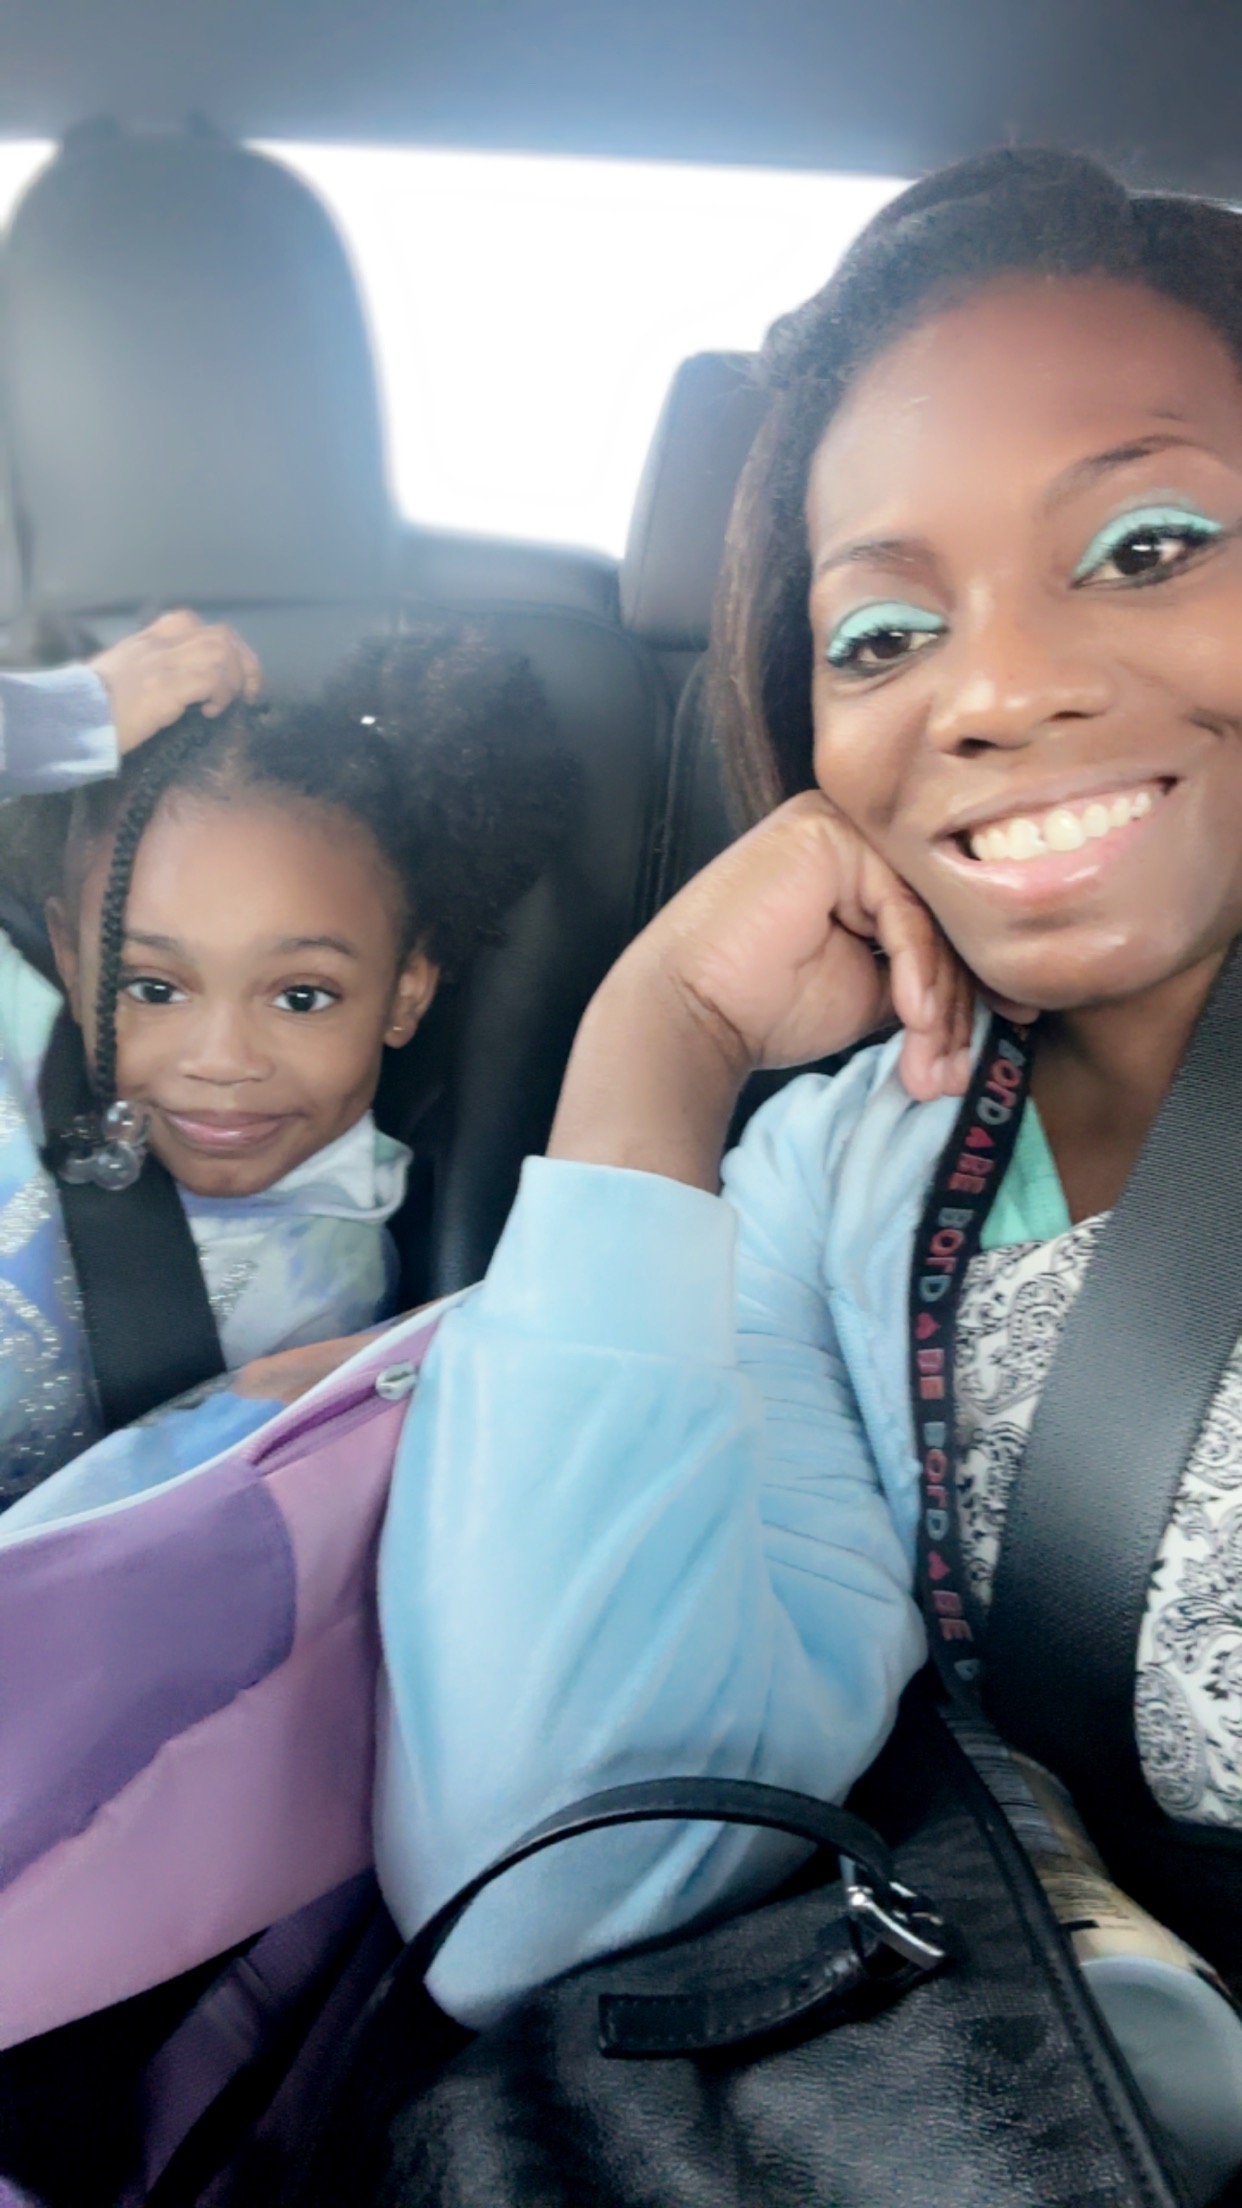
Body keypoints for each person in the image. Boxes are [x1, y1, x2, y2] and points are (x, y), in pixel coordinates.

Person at [372, 150, 1242, 2178]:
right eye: (882, 632)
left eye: (1148, 544)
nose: (993, 688)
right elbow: (547, 1883)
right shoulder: (852, 1183)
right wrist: (653, 1039)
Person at [0, 611, 567, 1507]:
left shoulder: (324, 1295)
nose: (222, 1061)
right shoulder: (17, 1028)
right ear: (72, 960)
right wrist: (60, 721)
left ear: (407, 991)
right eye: (152, 987)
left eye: (301, 997)